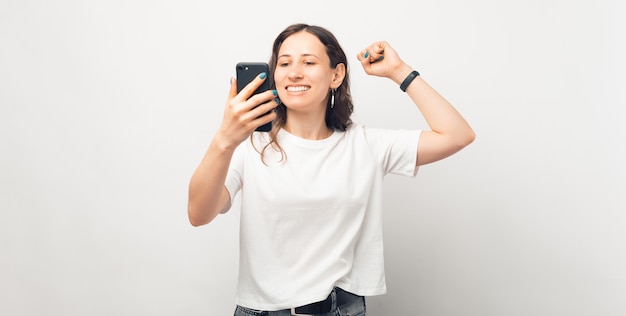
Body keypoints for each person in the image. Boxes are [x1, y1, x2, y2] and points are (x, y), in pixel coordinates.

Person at [187, 23, 475, 316]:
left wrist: (398, 71)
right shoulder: (250, 144)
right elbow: (199, 214)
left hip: (342, 310)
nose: (294, 72)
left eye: (308, 62)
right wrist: (223, 140)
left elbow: (457, 135)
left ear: (335, 75)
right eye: (284, 63)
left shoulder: (365, 144)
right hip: (263, 311)